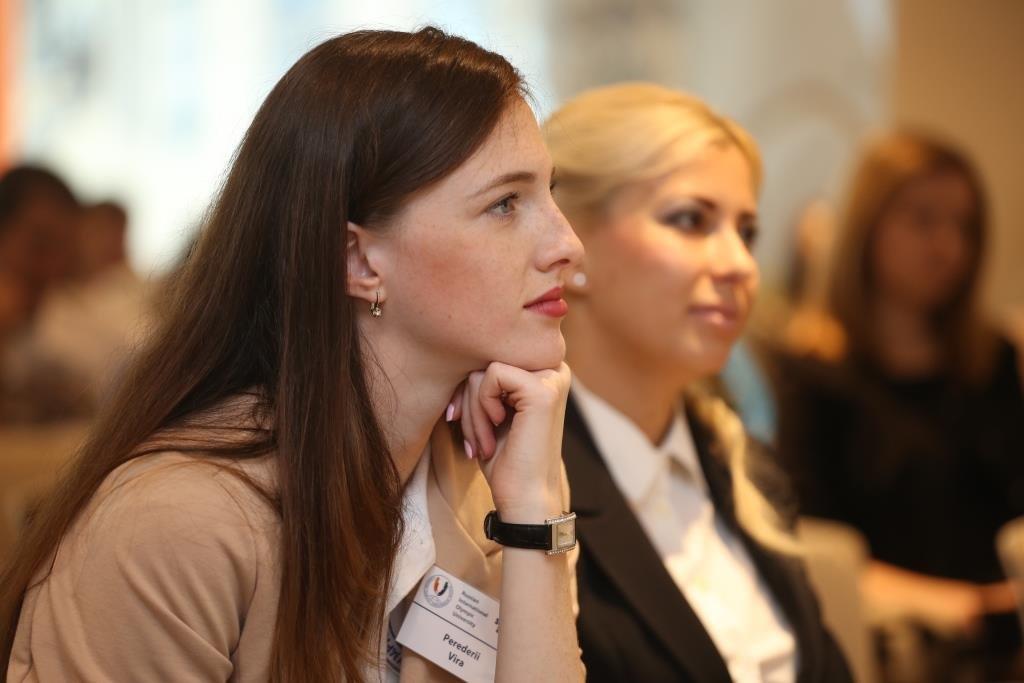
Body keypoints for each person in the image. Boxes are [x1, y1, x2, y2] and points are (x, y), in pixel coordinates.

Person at [1, 28, 585, 682]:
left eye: (550, 194)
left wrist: (535, 510)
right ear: (358, 261)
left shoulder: (478, 481)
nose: (567, 244)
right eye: (505, 204)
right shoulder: (175, 524)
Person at [544, 82, 851, 682]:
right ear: (569, 244)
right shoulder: (518, 488)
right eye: (690, 220)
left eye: (747, 232)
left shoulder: (742, 467)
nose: (739, 265)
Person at [773, 130, 1024, 680]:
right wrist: (964, 605)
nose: (948, 246)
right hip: (895, 648)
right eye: (923, 219)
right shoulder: (813, 373)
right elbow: (819, 551)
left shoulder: (993, 360)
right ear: (868, 225)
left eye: (964, 226)